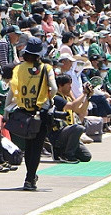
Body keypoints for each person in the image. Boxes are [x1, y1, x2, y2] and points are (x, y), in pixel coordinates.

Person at [10, 38, 54, 191]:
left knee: (28, 146)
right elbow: (53, 88)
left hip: (23, 112)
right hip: (40, 113)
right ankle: (30, 178)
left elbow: (12, 90)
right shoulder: (46, 68)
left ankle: (29, 176)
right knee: (37, 147)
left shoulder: (18, 69)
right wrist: (48, 98)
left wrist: (7, 110)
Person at [47, 74, 92, 163]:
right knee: (78, 128)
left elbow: (80, 110)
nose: (71, 87)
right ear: (60, 86)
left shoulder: (67, 98)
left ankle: (63, 151)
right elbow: (72, 106)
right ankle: (66, 155)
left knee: (86, 156)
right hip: (57, 133)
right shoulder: (56, 98)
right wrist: (84, 93)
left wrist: (88, 97)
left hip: (69, 132)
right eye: (68, 84)